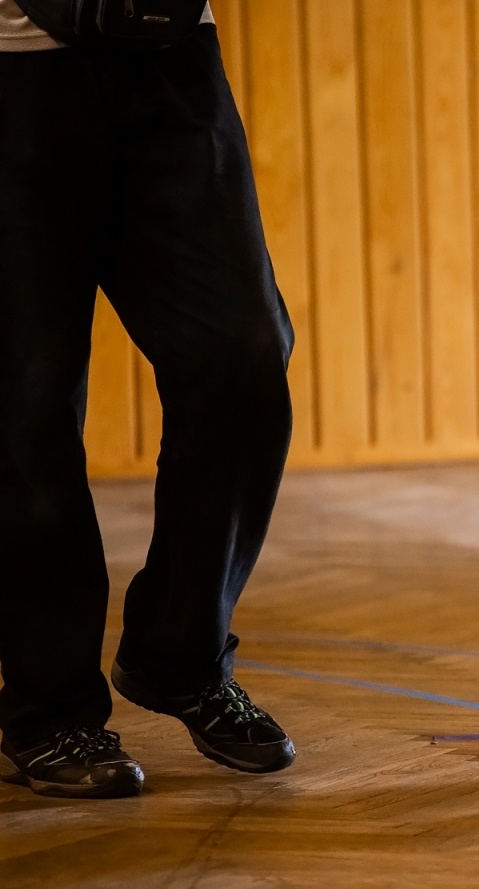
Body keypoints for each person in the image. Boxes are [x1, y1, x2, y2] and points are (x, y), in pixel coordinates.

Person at [0, 0, 297, 799]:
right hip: (11, 67)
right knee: (25, 405)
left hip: (170, 55)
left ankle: (179, 652)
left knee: (243, 358)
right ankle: (47, 706)